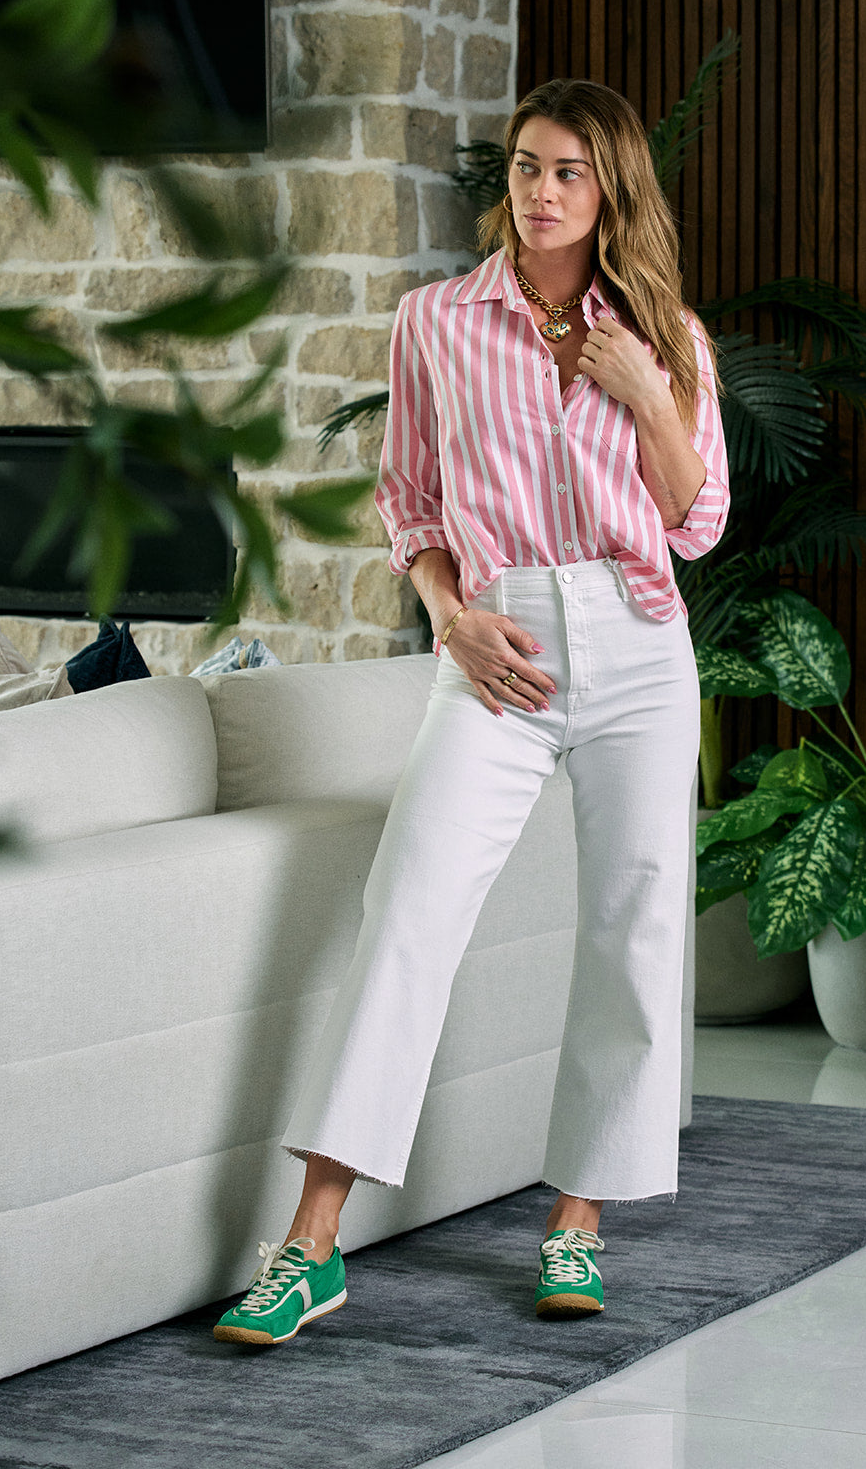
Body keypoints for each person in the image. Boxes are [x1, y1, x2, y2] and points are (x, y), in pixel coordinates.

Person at [213, 78, 729, 1345]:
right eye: (521, 167)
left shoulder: (664, 337)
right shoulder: (436, 321)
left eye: (564, 172)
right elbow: (409, 503)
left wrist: (647, 396)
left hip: (639, 646)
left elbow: (697, 521)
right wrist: (450, 617)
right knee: (408, 911)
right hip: (491, 642)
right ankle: (310, 1244)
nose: (537, 192)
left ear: (608, 190)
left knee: (631, 929)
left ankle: (575, 1226)